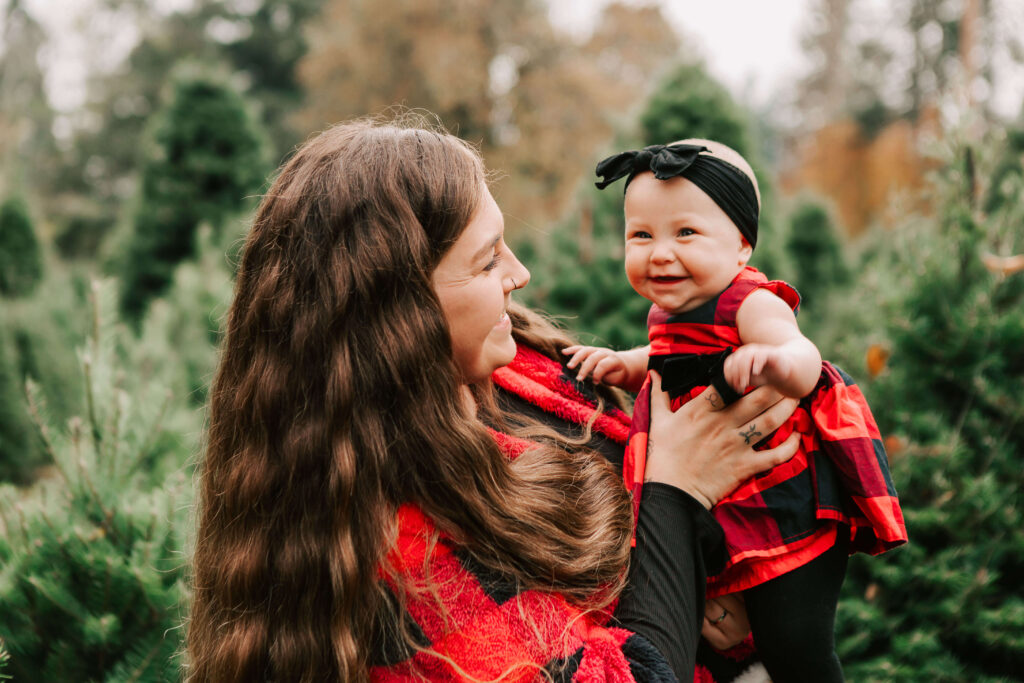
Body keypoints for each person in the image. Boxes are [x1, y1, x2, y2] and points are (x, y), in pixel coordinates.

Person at [186, 116, 802, 683]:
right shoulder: (401, 559)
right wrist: (678, 490)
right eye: (486, 263)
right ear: (398, 312)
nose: (519, 272)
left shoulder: (509, 368)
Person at [563, 140, 909, 682]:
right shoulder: (668, 311)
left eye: (685, 233)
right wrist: (626, 363)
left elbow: (805, 359)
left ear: (742, 246)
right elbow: (669, 358)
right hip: (725, 509)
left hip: (788, 510)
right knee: (734, 642)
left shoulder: (750, 303)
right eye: (641, 235)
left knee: (795, 643)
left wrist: (770, 360)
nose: (660, 252)